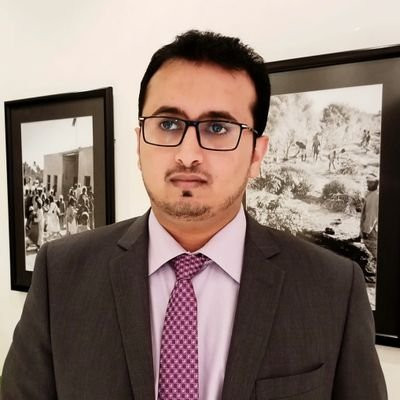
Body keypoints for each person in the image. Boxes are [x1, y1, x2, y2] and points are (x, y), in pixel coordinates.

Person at [2, 30, 386, 400]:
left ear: (256, 154)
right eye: (168, 124)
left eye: (218, 127)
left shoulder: (332, 288)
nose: (188, 154)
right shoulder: (62, 274)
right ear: (139, 144)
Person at [360, 174, 379, 262]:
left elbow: (372, 215)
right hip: (369, 226)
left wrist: (366, 230)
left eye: (371, 183)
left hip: (370, 228)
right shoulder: (370, 193)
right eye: (368, 182)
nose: (368, 184)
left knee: (372, 247)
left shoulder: (375, 196)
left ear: (376, 183)